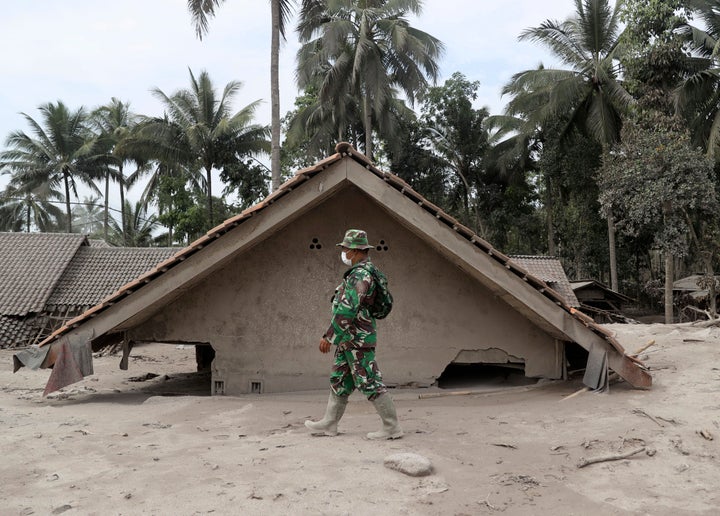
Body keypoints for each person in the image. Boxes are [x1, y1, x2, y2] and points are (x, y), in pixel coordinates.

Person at [305, 229, 403, 440]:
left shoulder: (361, 274)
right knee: (339, 379)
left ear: (357, 251)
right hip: (348, 339)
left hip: (358, 339)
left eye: (346, 249)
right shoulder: (360, 272)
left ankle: (391, 426)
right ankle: (329, 424)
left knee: (369, 380)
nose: (344, 253)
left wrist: (329, 336)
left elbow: (348, 308)